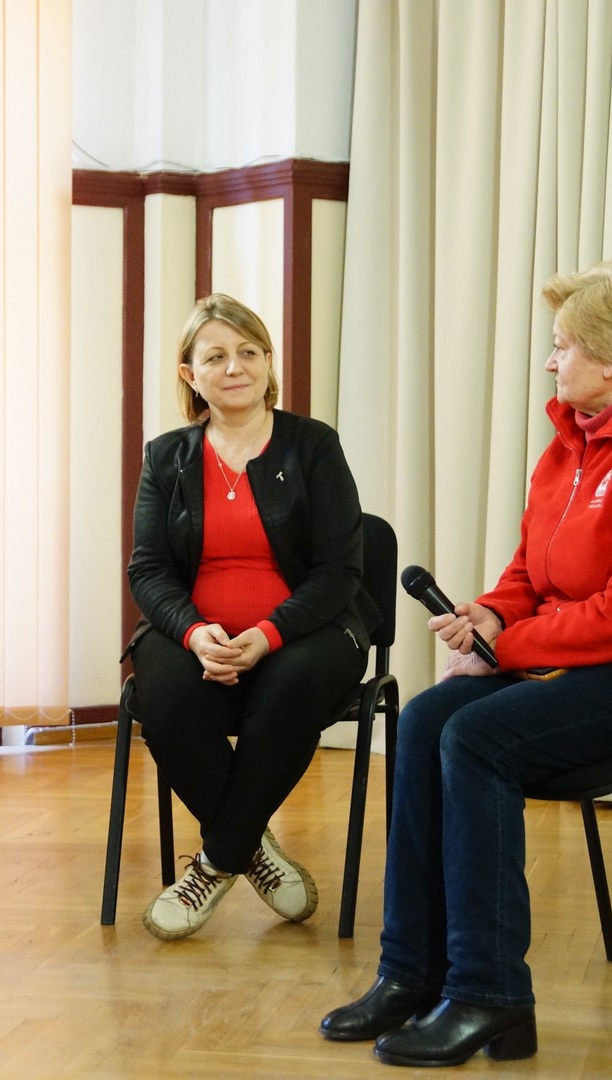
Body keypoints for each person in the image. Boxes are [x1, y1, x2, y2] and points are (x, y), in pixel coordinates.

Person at [320, 257, 612, 1066]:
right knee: (425, 719)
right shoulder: (573, 440)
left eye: (562, 346)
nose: (548, 361)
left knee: (479, 738)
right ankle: (411, 974)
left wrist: (506, 649)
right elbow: (534, 570)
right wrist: (493, 614)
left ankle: (489, 993)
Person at [125, 294, 380, 941]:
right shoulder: (166, 457)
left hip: (310, 631)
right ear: (190, 375)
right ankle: (252, 849)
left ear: (268, 362)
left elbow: (338, 571)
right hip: (198, 633)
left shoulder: (313, 446)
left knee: (290, 684)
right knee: (163, 693)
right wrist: (194, 633)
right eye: (215, 357)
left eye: (248, 351)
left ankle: (215, 862)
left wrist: (266, 636)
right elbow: (148, 570)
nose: (234, 367)